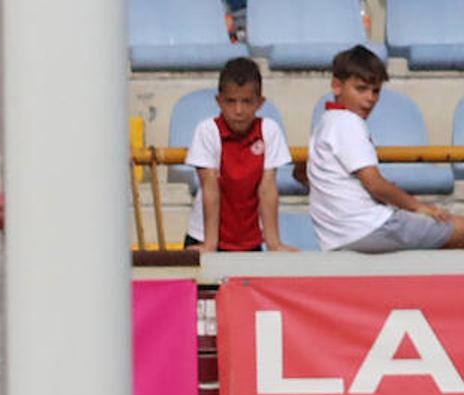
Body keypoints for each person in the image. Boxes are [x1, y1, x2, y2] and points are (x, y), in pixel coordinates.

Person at [306, 45, 464, 252]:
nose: (370, 98)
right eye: (361, 89)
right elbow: (374, 184)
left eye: (376, 91)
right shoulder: (348, 122)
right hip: (368, 227)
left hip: (336, 236)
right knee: (460, 228)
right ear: (337, 86)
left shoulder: (325, 122)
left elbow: (301, 173)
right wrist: (418, 207)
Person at [183, 58, 296, 253]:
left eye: (247, 102)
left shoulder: (269, 130)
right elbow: (210, 187)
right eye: (231, 101)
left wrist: (273, 242)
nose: (238, 110)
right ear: (219, 101)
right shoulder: (208, 131)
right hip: (205, 235)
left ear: (260, 103)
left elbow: (267, 189)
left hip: (249, 240)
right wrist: (210, 244)